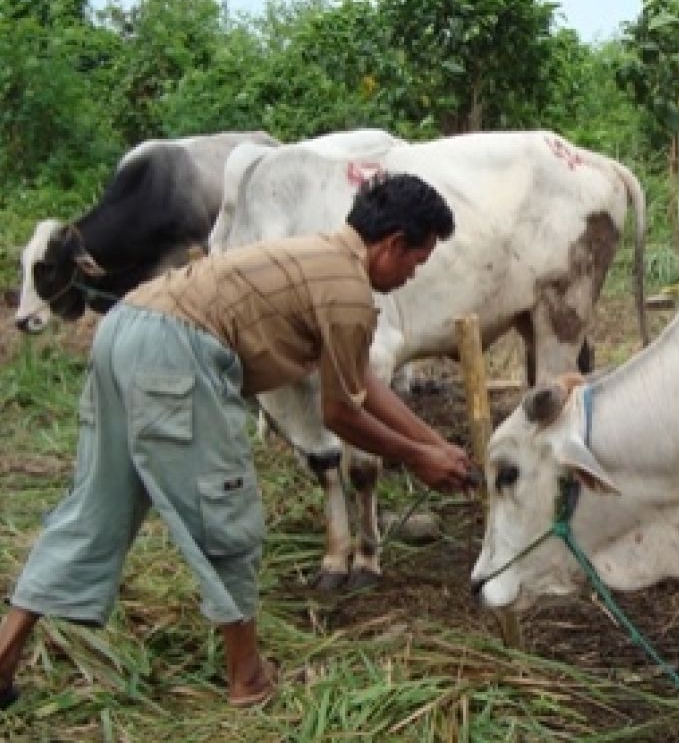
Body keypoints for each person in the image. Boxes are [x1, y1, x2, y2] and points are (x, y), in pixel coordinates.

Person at [0, 172, 473, 710]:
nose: (415, 273)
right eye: (418, 259)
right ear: (392, 245)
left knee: (92, 508)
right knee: (223, 509)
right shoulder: (349, 294)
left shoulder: (317, 256)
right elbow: (340, 412)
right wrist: (416, 459)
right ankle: (247, 678)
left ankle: (3, 655)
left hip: (124, 329)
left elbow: (359, 376)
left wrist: (435, 443)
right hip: (177, 354)